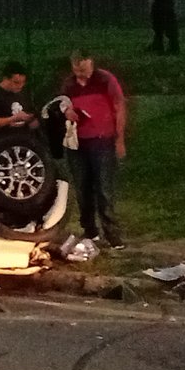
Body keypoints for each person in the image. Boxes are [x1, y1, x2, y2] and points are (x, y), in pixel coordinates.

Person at [60, 49, 127, 249]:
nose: (82, 74)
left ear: (91, 63)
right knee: (82, 188)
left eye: (85, 69)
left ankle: (112, 233)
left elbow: (119, 106)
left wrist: (120, 138)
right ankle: (90, 230)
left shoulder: (105, 80)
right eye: (77, 70)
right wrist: (68, 112)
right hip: (78, 143)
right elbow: (63, 105)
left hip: (102, 141)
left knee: (104, 188)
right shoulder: (69, 84)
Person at [0, 61, 37, 134]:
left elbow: (32, 122)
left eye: (23, 82)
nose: (20, 86)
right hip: (3, 138)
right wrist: (11, 119)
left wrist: (30, 120)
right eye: (16, 82)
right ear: (5, 79)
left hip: (24, 138)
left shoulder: (23, 94)